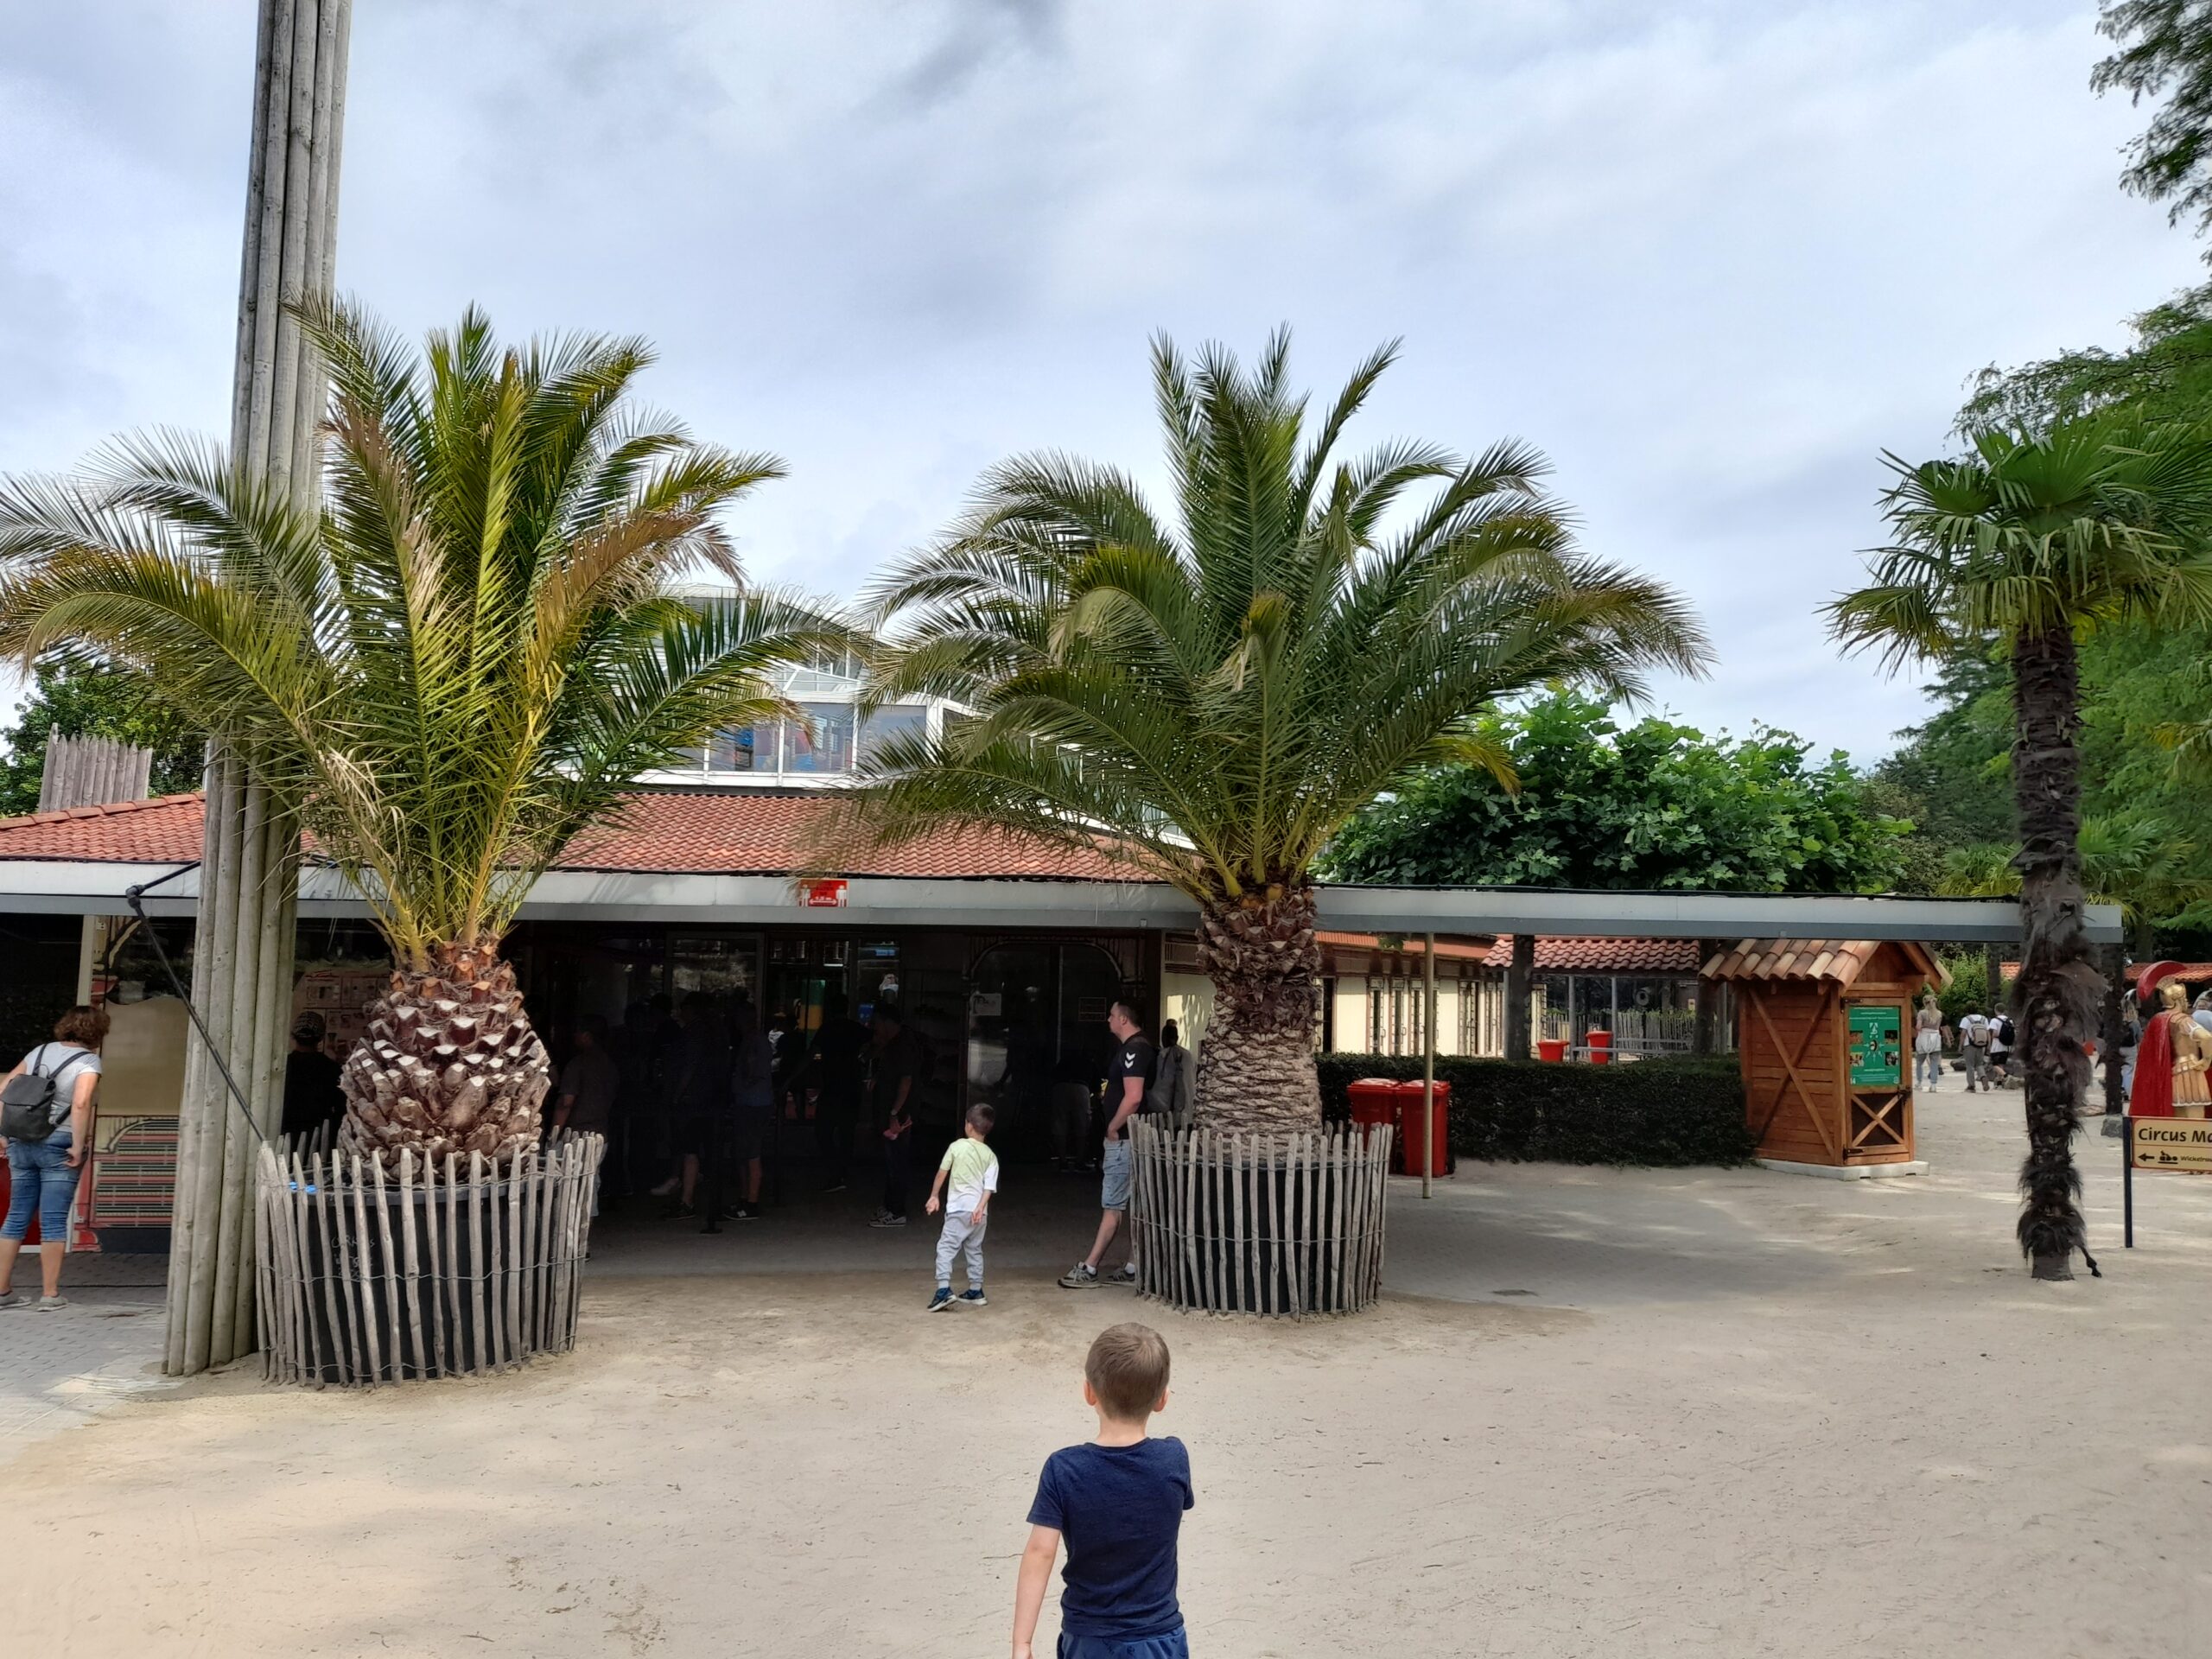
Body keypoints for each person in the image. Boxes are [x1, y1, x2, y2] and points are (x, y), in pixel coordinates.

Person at [1013, 1322, 1193, 1659]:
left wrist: (1022, 1642)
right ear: (1162, 1400)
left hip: (1090, 1639)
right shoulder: (1174, 1458)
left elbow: (1040, 1553)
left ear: (1089, 1392)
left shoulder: (1063, 1469)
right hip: (1159, 1636)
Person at [0, 1005, 109, 1311]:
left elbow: (3, 1089)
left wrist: (3, 1134)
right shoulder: (89, 1060)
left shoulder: (38, 1052)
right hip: (58, 1142)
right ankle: (49, 1295)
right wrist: (76, 1144)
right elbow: (81, 1101)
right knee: (53, 1219)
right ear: (97, 1031)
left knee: (15, 1217)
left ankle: (3, 1292)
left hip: (22, 1140)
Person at [1060, 1002, 1153, 1289]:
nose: (1109, 1020)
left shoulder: (1133, 1051)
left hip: (1124, 1139)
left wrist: (1113, 1125)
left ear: (1123, 1019)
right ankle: (1132, 1267)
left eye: (1112, 1016)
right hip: (1135, 1137)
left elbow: (1134, 1096)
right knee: (1138, 1205)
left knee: (1112, 1205)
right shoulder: (1141, 1048)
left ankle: (1089, 1267)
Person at [925, 1103, 999, 1311]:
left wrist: (934, 1196)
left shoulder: (956, 1147)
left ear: (968, 1126)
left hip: (958, 1210)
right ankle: (976, 1289)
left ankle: (943, 1290)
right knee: (974, 1249)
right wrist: (980, 1207)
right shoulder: (991, 1156)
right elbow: (989, 1187)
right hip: (979, 1214)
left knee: (946, 1247)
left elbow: (942, 1172)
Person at [665, 993, 730, 1220]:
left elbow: (689, 1066)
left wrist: (677, 1094)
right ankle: (712, 1203)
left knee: (691, 1150)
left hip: (693, 1099)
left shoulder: (695, 1033)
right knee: (710, 1150)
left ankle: (687, 1200)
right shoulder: (718, 1033)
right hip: (714, 1098)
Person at [797, 991, 868, 1194]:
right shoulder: (855, 1029)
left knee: (823, 1131)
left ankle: (836, 1172)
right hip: (852, 1084)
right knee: (847, 1132)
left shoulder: (827, 1029)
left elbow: (810, 1055)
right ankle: (842, 1171)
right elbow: (878, 1040)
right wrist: (864, 1058)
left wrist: (792, 1077)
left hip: (833, 1086)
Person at [868, 1003, 925, 1228]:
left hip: (900, 1115)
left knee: (897, 1162)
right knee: (892, 1161)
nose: (874, 1027)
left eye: (877, 1023)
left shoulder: (903, 1044)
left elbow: (906, 1080)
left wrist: (894, 1113)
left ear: (886, 1022)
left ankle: (897, 1210)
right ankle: (890, 1204)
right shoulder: (894, 1043)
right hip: (893, 1112)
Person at [721, 1001, 772, 1223]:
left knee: (751, 1153)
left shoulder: (755, 1042)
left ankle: (751, 1202)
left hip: (754, 1103)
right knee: (743, 1153)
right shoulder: (750, 1041)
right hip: (747, 1102)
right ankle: (744, 1198)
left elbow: (755, 1072)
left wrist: (741, 1082)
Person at [279, 1012, 345, 1141]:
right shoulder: (331, 1069)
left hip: (284, 1132)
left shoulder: (282, 1067)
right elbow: (341, 1108)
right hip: (320, 1136)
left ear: (294, 1036)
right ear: (320, 1038)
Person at [1150, 1020, 1193, 1128]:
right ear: (1177, 1037)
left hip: (1173, 1116)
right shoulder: (1188, 1055)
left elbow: (1168, 1086)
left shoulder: (1164, 1056)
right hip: (1190, 1113)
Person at [1912, 994, 1943, 1093]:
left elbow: (1918, 1027)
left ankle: (1919, 1083)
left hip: (1924, 1037)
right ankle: (1933, 1085)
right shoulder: (1939, 1014)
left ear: (1924, 1003)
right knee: (1934, 1063)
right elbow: (1938, 1027)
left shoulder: (1922, 1013)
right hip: (1935, 1037)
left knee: (1919, 1062)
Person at [1958, 1007, 1992, 1093]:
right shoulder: (1984, 1019)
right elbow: (1988, 1033)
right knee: (1979, 1064)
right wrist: (1989, 1045)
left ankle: (1971, 1086)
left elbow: (1963, 1034)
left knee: (1970, 1065)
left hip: (1969, 1044)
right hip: (1981, 1044)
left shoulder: (1966, 1019)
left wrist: (1960, 1046)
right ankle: (1983, 1077)